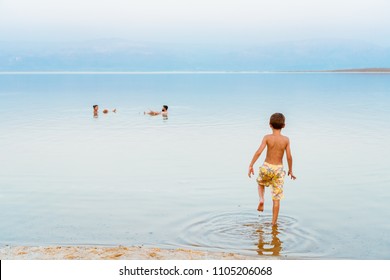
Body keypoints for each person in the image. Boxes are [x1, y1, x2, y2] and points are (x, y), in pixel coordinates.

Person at [248, 113, 296, 226]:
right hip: (279, 170)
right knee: (276, 198)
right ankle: (274, 224)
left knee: (260, 183)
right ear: (284, 126)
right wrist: (290, 170)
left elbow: (259, 151)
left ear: (270, 125)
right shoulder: (286, 140)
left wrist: (251, 165)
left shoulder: (267, 137)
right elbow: (289, 156)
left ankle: (261, 199)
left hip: (267, 166)